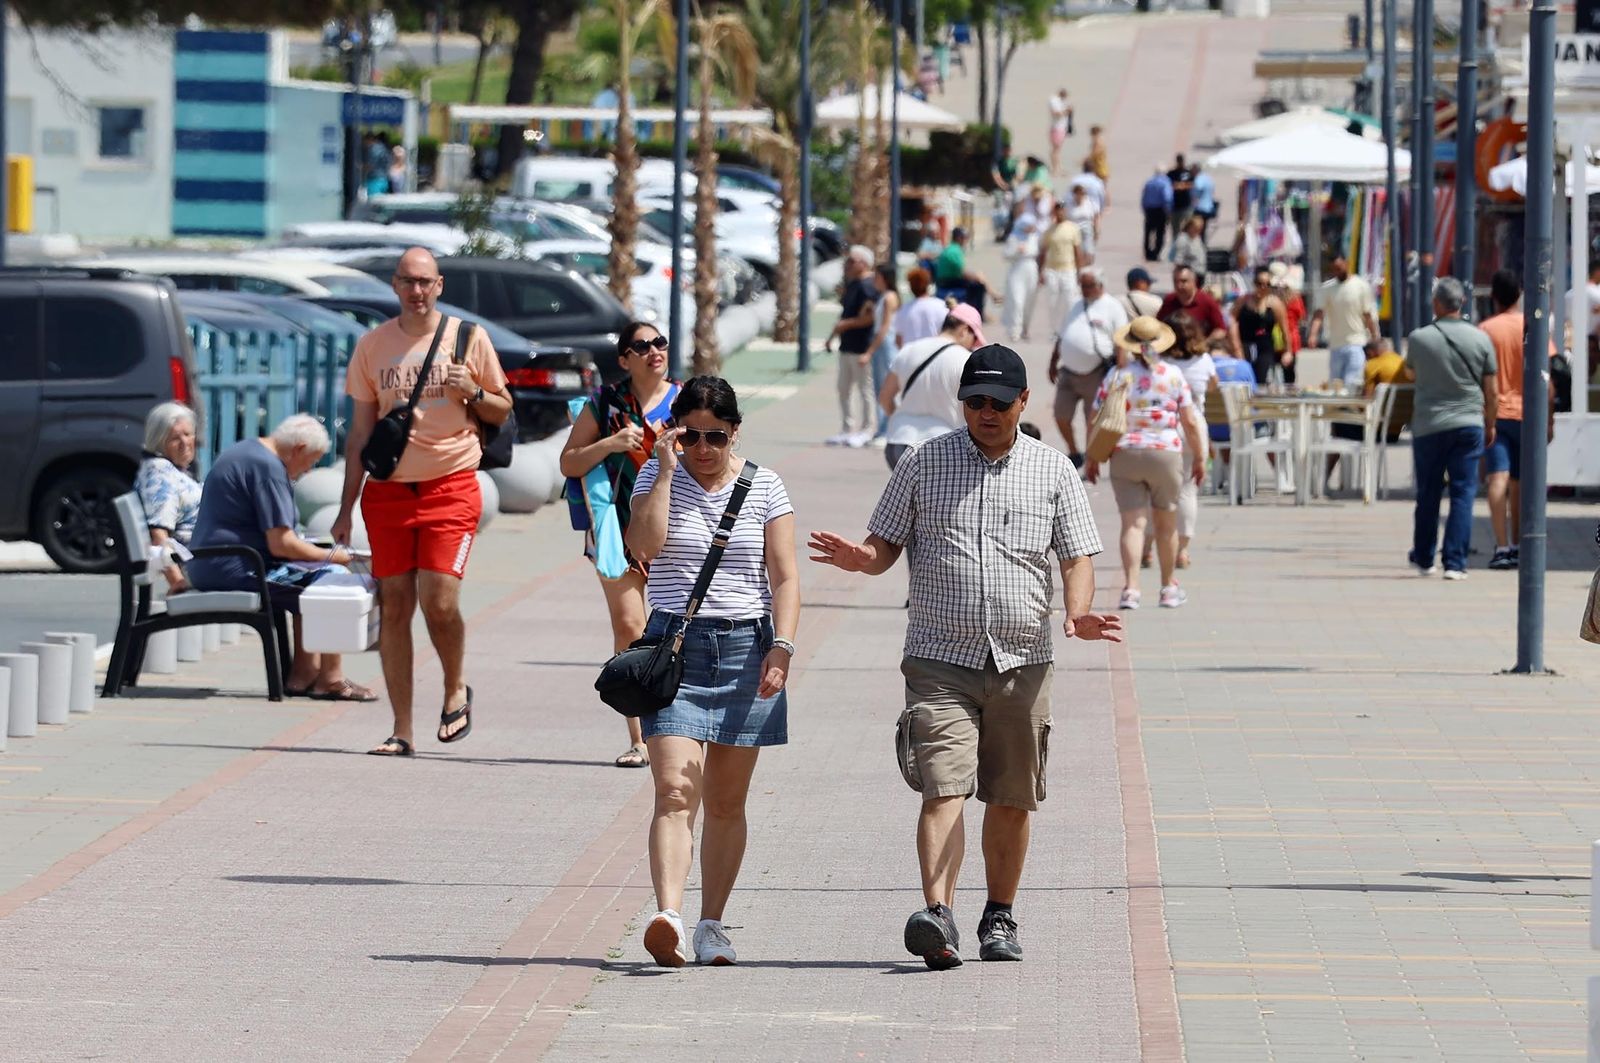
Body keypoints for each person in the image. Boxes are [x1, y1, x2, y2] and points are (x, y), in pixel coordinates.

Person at [809, 344, 1120, 970]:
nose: (985, 412)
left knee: (1010, 798)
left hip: (1022, 660)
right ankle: (939, 915)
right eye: (974, 401)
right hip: (938, 659)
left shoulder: (1053, 470)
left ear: (1022, 403)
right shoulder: (924, 464)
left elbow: (1077, 554)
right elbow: (883, 544)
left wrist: (1078, 611)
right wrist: (859, 561)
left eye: (998, 403)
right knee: (942, 787)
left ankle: (998, 915)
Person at [626, 377, 799, 968]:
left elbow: (785, 577)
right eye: (692, 435)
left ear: (734, 432)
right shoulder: (657, 477)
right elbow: (643, 545)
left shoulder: (766, 486)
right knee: (675, 788)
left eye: (715, 437)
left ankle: (712, 925)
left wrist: (783, 646)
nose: (703, 448)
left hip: (747, 649)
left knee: (726, 801)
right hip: (676, 648)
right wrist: (666, 471)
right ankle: (668, 916)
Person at [334, 247, 513, 756]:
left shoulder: (467, 339)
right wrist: (346, 509)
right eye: (408, 282)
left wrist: (473, 391)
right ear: (395, 285)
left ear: (439, 286)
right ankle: (402, 728)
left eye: (426, 282)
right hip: (388, 493)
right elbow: (360, 436)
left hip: (450, 485)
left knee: (439, 600)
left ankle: (455, 686)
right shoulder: (372, 346)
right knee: (395, 609)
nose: (417, 291)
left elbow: (502, 410)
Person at [188, 415, 378, 703]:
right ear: (299, 448)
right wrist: (335, 557)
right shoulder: (268, 469)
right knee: (329, 582)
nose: (308, 469)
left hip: (219, 562)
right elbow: (282, 544)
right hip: (234, 566)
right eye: (311, 461)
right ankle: (330, 678)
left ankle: (304, 674)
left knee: (316, 575)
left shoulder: (250, 451)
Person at [560, 322, 681, 768]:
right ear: (625, 359)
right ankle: (640, 736)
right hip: (615, 531)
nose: (654, 351)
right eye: (642, 345)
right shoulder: (605, 404)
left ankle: (676, 725)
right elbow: (568, 461)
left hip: (676, 529)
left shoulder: (685, 400)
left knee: (674, 628)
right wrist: (610, 442)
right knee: (630, 625)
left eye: (660, 343)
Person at [1083, 317, 1206, 610]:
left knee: (1133, 524)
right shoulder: (1174, 375)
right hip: (1165, 453)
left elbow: (1095, 416)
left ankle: (1131, 589)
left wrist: (1091, 455)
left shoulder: (1117, 374)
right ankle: (1167, 588)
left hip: (1125, 452)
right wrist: (1200, 455)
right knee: (1166, 525)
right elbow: (1189, 421)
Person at [1403, 276, 1497, 580]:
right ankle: (1455, 563)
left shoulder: (1419, 338)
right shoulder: (1481, 339)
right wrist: (1490, 424)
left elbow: (1408, 372)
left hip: (1429, 425)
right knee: (1463, 492)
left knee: (1428, 492)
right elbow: (1492, 390)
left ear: (1436, 304)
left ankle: (1425, 558)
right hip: (1469, 423)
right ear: (1462, 303)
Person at [1479, 268, 1555, 571]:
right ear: (1520, 294)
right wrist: (1549, 421)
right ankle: (1521, 544)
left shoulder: (1486, 330)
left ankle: (1501, 546)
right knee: (1521, 484)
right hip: (1528, 416)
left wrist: (1486, 420)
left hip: (1497, 414)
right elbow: (1546, 379)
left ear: (1494, 296)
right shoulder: (1531, 326)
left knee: (1497, 479)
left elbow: (1483, 378)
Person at [879, 305, 986, 469]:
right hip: (942, 444)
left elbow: (885, 397)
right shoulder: (966, 361)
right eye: (974, 339)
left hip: (899, 441)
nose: (972, 345)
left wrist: (899, 419)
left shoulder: (909, 350)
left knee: (908, 494)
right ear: (964, 330)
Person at [1049, 267, 1128, 467]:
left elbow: (1121, 341)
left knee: (1091, 422)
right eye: (1082, 285)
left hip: (1095, 374)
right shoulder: (1076, 305)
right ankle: (1075, 452)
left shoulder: (1113, 306)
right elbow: (1062, 335)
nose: (1084, 289)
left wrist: (1120, 372)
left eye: (1088, 285)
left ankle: (1091, 462)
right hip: (1068, 371)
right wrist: (1052, 362)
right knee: (1060, 415)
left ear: (1100, 285)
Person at [1162, 312, 1218, 570]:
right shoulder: (1204, 360)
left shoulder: (1161, 362)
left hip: (1165, 426)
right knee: (1188, 490)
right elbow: (1214, 388)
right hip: (1195, 425)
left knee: (1159, 490)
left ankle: (1151, 547)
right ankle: (1182, 550)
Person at [135, 401, 202, 594]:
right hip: (202, 566)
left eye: (188, 435)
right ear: (158, 441)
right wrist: (177, 582)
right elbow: (159, 535)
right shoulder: (160, 473)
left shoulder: (172, 470)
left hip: (210, 559)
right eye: (174, 438)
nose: (184, 443)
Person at [825, 246, 880, 447]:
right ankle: (847, 428)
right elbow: (845, 314)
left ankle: (867, 429)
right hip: (846, 346)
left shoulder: (868, 286)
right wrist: (832, 336)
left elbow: (870, 317)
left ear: (863, 263)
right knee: (843, 389)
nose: (847, 265)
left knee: (865, 390)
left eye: (851, 261)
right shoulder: (853, 284)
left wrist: (847, 325)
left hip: (861, 347)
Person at [1321, 256, 1380, 391]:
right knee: (1335, 384)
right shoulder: (1328, 288)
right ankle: (1339, 410)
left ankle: (1348, 407)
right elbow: (1319, 313)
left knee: (1351, 382)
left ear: (1347, 265)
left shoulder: (1361, 286)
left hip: (1356, 342)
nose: (1337, 271)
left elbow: (1367, 314)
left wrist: (1375, 336)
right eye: (1334, 269)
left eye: (1339, 268)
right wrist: (1313, 334)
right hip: (1336, 344)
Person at [1229, 267, 1291, 385]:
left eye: (1267, 284)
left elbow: (1284, 329)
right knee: (1244, 379)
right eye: (1259, 284)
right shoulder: (1243, 301)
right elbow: (1231, 321)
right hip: (1245, 345)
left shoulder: (1275, 304)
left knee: (1262, 379)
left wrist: (1288, 351)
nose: (1263, 287)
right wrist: (1235, 347)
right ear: (1254, 284)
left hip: (1265, 347)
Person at [1033, 200, 1084, 342]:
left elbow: (1077, 251)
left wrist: (1080, 272)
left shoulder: (1073, 228)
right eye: (1057, 210)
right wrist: (1040, 272)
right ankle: (1055, 331)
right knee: (1053, 302)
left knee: (1070, 300)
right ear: (1054, 212)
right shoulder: (1049, 231)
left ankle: (1069, 329)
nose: (1060, 212)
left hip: (1069, 269)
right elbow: (1043, 252)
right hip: (1052, 270)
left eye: (1062, 209)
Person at [1002, 189, 1049, 342]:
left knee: (1030, 300)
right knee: (1017, 300)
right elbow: (1006, 254)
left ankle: (1025, 328)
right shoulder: (1014, 237)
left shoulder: (1035, 238)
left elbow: (1041, 253)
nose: (1030, 228)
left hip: (1031, 269)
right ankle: (1014, 330)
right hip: (1018, 269)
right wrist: (1017, 250)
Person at [867, 263, 903, 443]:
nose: (875, 280)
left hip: (885, 345)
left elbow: (885, 327)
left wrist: (870, 350)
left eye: (877, 276)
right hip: (882, 344)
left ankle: (887, 429)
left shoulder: (889, 297)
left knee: (885, 388)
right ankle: (882, 428)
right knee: (878, 388)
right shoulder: (883, 297)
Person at [933, 227, 999, 318]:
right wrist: (977, 277)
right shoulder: (954, 251)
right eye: (965, 238)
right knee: (979, 285)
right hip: (947, 282)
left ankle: (992, 297)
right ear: (959, 238)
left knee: (978, 279)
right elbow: (962, 272)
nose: (967, 241)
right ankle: (977, 315)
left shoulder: (952, 249)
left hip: (949, 279)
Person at [1159, 264, 1229, 343]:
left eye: (1183, 281)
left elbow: (1221, 330)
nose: (1179, 286)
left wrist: (1204, 344)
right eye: (1176, 281)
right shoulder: (1169, 300)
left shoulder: (1207, 301)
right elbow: (1159, 325)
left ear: (1194, 281)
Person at [895, 267, 948, 346]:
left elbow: (899, 340)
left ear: (910, 286)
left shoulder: (903, 309)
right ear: (927, 284)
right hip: (934, 353)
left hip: (912, 355)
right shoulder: (942, 306)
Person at [1140, 167, 1174, 263]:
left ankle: (1147, 252)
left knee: (1148, 232)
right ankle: (1156, 253)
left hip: (1149, 210)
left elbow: (1144, 197)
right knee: (1160, 233)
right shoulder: (1165, 182)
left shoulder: (1149, 182)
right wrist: (1169, 211)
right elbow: (1167, 198)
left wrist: (1144, 208)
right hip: (1160, 210)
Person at [1166, 153, 1196, 246]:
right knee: (1175, 229)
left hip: (1186, 205)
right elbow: (1168, 185)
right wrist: (1178, 186)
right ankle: (1175, 247)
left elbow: (1192, 184)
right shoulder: (1171, 173)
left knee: (1187, 227)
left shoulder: (1187, 173)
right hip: (1174, 206)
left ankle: (1186, 246)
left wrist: (1182, 186)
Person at [1067, 183, 1100, 263]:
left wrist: (1096, 230)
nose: (1080, 196)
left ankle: (1087, 261)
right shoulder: (1068, 204)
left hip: (1087, 228)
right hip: (1073, 229)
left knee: (1088, 249)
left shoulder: (1090, 203)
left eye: (1082, 193)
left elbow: (1095, 217)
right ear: (1074, 194)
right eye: (1078, 193)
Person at [1048, 88, 1074, 175]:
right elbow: (1056, 113)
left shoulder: (1063, 101)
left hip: (1062, 127)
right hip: (1057, 128)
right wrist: (1067, 111)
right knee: (1056, 149)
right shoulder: (1054, 100)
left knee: (1058, 149)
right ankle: (1055, 169)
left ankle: (1058, 168)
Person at [1191, 167, 1217, 240]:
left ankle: (1199, 246)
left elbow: (1198, 188)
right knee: (1203, 229)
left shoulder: (1199, 178)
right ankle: (1202, 244)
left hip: (1200, 208)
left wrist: (1193, 196)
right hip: (1208, 207)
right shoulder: (1208, 178)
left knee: (1197, 229)